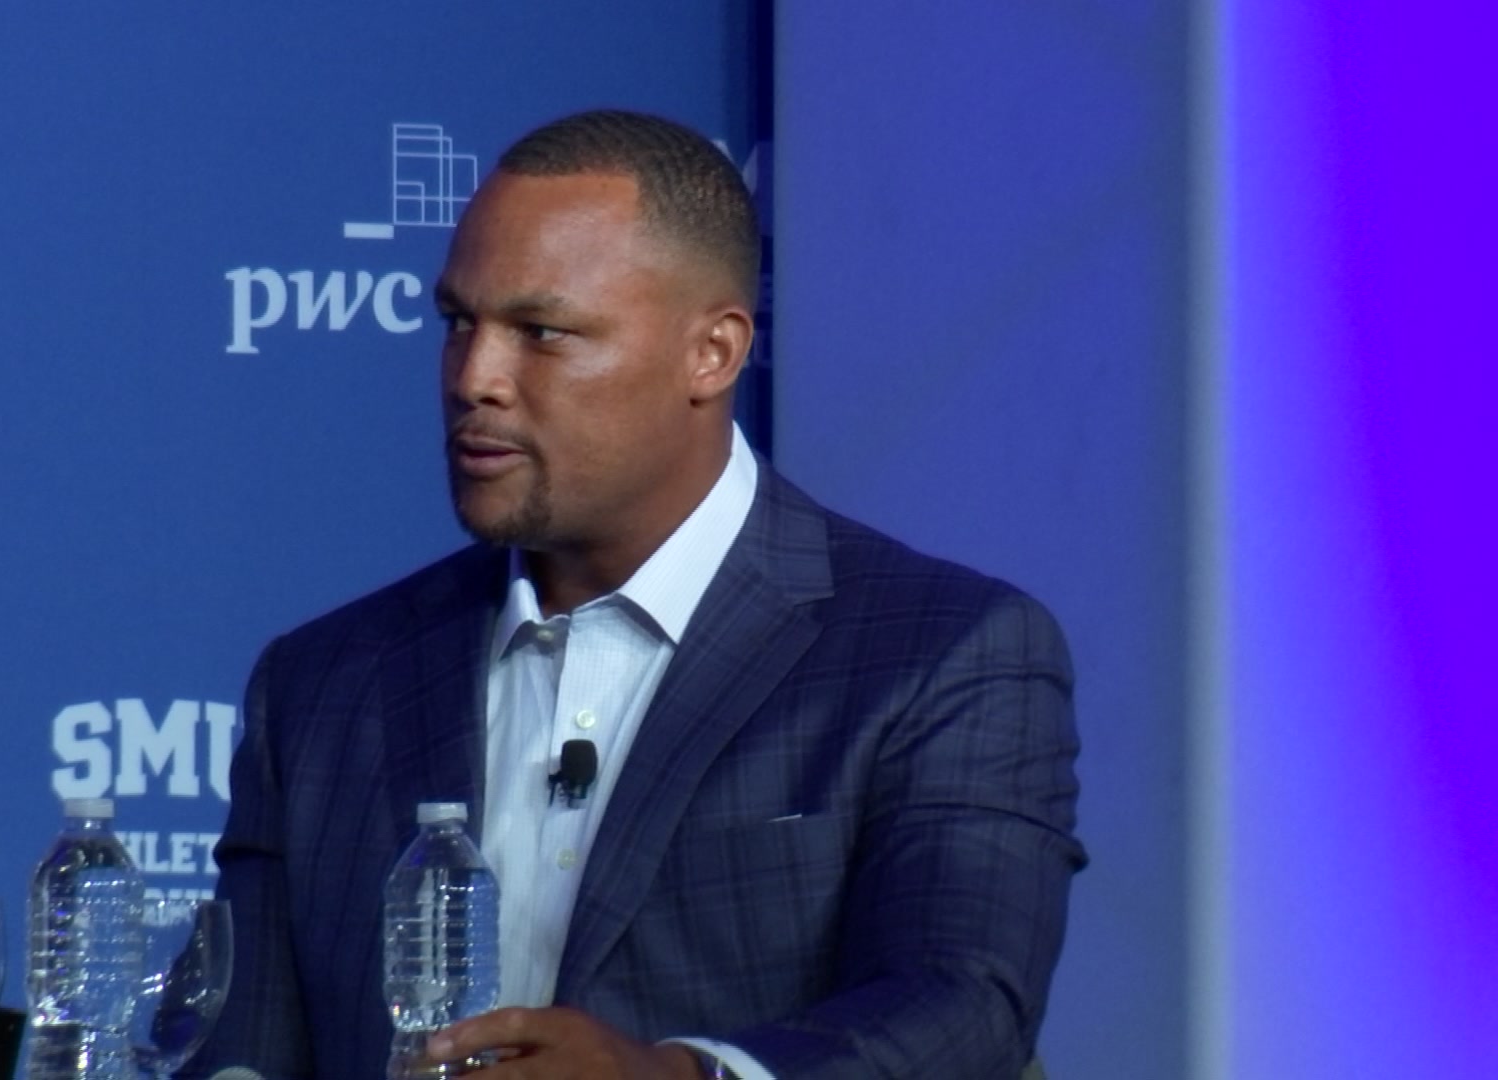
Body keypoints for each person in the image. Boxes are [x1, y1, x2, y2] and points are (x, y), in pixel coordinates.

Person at [194, 109, 1085, 1080]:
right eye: (459, 324)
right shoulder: (324, 685)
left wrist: (674, 1078)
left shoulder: (942, 654)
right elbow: (242, 1050)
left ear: (713, 353)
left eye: (542, 331)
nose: (476, 378)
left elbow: (962, 1011)